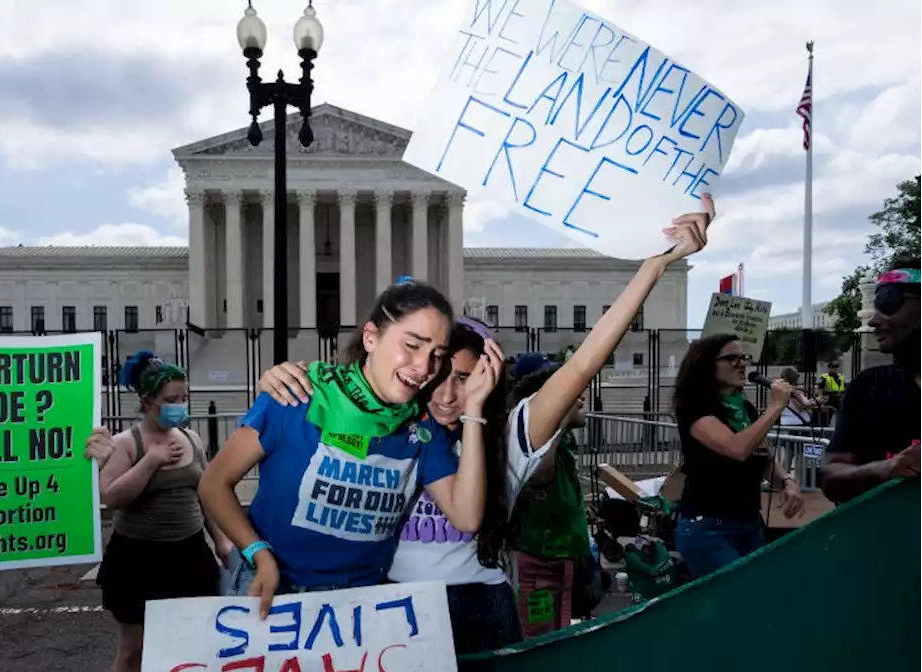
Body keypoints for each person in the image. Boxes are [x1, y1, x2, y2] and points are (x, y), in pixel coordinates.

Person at [250, 193, 717, 640]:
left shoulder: (508, 436)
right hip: (390, 605)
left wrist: (655, 267)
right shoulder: (391, 429)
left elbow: (582, 364)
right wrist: (290, 378)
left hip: (478, 606)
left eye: (469, 378)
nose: (451, 394)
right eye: (440, 375)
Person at [200, 279, 498, 618]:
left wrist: (474, 411)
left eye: (437, 355)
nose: (424, 367)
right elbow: (213, 483)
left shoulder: (422, 429)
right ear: (371, 337)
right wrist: (259, 554)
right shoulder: (298, 397)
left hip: (360, 605)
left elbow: (467, 515)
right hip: (270, 587)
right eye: (412, 345)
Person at [97, 350, 229, 672]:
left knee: (194, 646)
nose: (180, 405)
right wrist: (150, 461)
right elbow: (111, 496)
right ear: (148, 400)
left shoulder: (191, 439)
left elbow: (207, 495)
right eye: (172, 399)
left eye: (184, 398)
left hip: (189, 555)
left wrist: (222, 544)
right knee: (135, 650)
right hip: (138, 560)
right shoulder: (127, 444)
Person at [672, 333, 805, 579]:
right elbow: (737, 449)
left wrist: (786, 480)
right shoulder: (696, 408)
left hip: (749, 524)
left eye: (743, 357)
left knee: (757, 597)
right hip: (708, 529)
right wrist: (776, 407)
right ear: (707, 365)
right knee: (737, 599)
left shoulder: (744, 408)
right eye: (732, 358)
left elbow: (762, 454)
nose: (742, 364)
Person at [821, 260, 922, 503]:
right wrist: (886, 469)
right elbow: (830, 476)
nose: (873, 321)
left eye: (889, 302)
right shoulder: (869, 387)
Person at [506, 356, 591, 637]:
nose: (580, 398)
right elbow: (540, 474)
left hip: (559, 555)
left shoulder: (562, 439)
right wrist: (560, 419)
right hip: (538, 558)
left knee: (558, 632)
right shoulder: (536, 436)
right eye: (570, 393)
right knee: (537, 638)